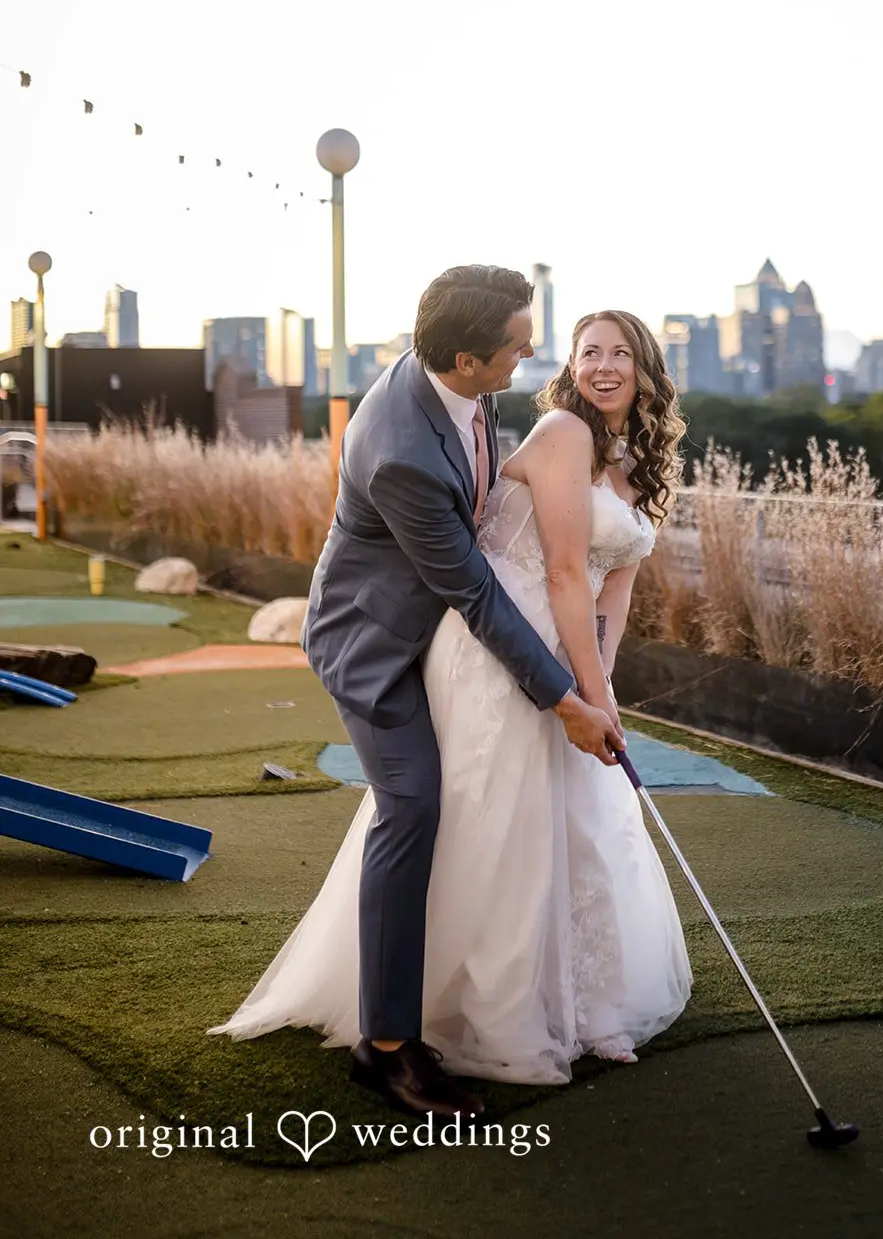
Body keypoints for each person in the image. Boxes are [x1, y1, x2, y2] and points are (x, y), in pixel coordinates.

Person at [209, 278, 692, 1112]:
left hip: (479, 621)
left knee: (511, 814)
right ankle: (388, 1044)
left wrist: (595, 684)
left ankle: (539, 992)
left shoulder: (473, 390)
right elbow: (478, 593)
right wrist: (568, 698)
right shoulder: (400, 444)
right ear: (468, 358)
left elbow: (569, 567)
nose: (532, 358)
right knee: (416, 806)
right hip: (380, 644)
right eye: (519, 346)